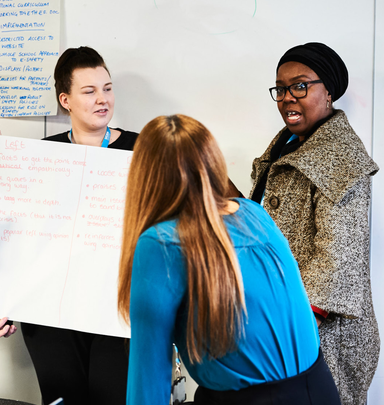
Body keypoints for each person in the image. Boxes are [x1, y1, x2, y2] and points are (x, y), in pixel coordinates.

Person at [119, 114, 340, 404]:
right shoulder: (253, 213)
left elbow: (147, 380)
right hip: (319, 389)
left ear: (144, 178)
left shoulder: (161, 242)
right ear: (212, 165)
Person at [0, 46, 135, 405]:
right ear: (66, 100)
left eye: (107, 88)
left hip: (118, 314)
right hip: (52, 315)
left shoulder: (144, 151)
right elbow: (14, 236)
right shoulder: (42, 158)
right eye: (89, 91)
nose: (102, 99)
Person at [250, 42, 379, 405]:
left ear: (329, 92)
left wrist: (294, 330)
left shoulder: (343, 159)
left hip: (323, 333)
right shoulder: (288, 145)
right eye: (282, 88)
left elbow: (338, 258)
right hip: (283, 318)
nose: (288, 97)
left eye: (301, 86)